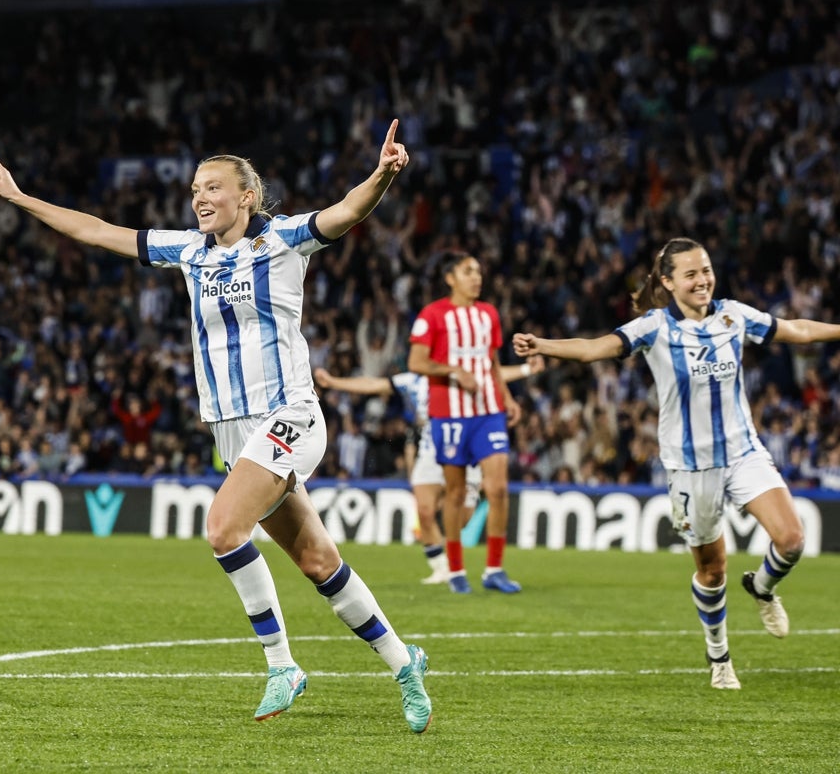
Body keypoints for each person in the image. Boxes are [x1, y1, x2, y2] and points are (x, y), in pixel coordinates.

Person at [0, 121, 433, 732]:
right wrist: (21, 196)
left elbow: (347, 212)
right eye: (195, 188)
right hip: (231, 429)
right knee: (319, 562)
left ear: (247, 196)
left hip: (289, 414)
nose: (199, 197)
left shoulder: (284, 240)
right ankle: (405, 664)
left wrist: (382, 174)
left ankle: (281, 665)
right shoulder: (189, 251)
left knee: (222, 528)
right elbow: (96, 230)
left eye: (212, 187)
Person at [513, 236, 833, 690]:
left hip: (743, 452)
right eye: (691, 273)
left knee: (793, 538)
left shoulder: (734, 315)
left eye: (706, 270)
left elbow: (796, 330)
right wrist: (542, 344)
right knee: (711, 570)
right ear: (668, 282)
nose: (703, 279)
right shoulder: (653, 328)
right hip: (688, 467)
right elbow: (594, 347)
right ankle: (719, 656)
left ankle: (761, 587)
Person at [313, 354, 545, 585]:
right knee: (424, 510)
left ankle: (450, 555)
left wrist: (526, 370)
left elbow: (494, 373)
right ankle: (441, 568)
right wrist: (334, 382)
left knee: (462, 518)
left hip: (463, 447)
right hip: (430, 450)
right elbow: (375, 384)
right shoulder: (413, 380)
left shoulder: (459, 373)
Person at [408, 251, 523, 595]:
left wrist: (508, 397)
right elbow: (417, 361)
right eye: (468, 271)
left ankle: (494, 569)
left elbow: (492, 361)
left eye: (478, 271)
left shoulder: (489, 314)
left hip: (489, 412)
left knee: (498, 487)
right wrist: (454, 372)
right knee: (455, 493)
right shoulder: (432, 315)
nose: (477, 277)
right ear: (450, 278)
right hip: (450, 415)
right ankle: (456, 569)